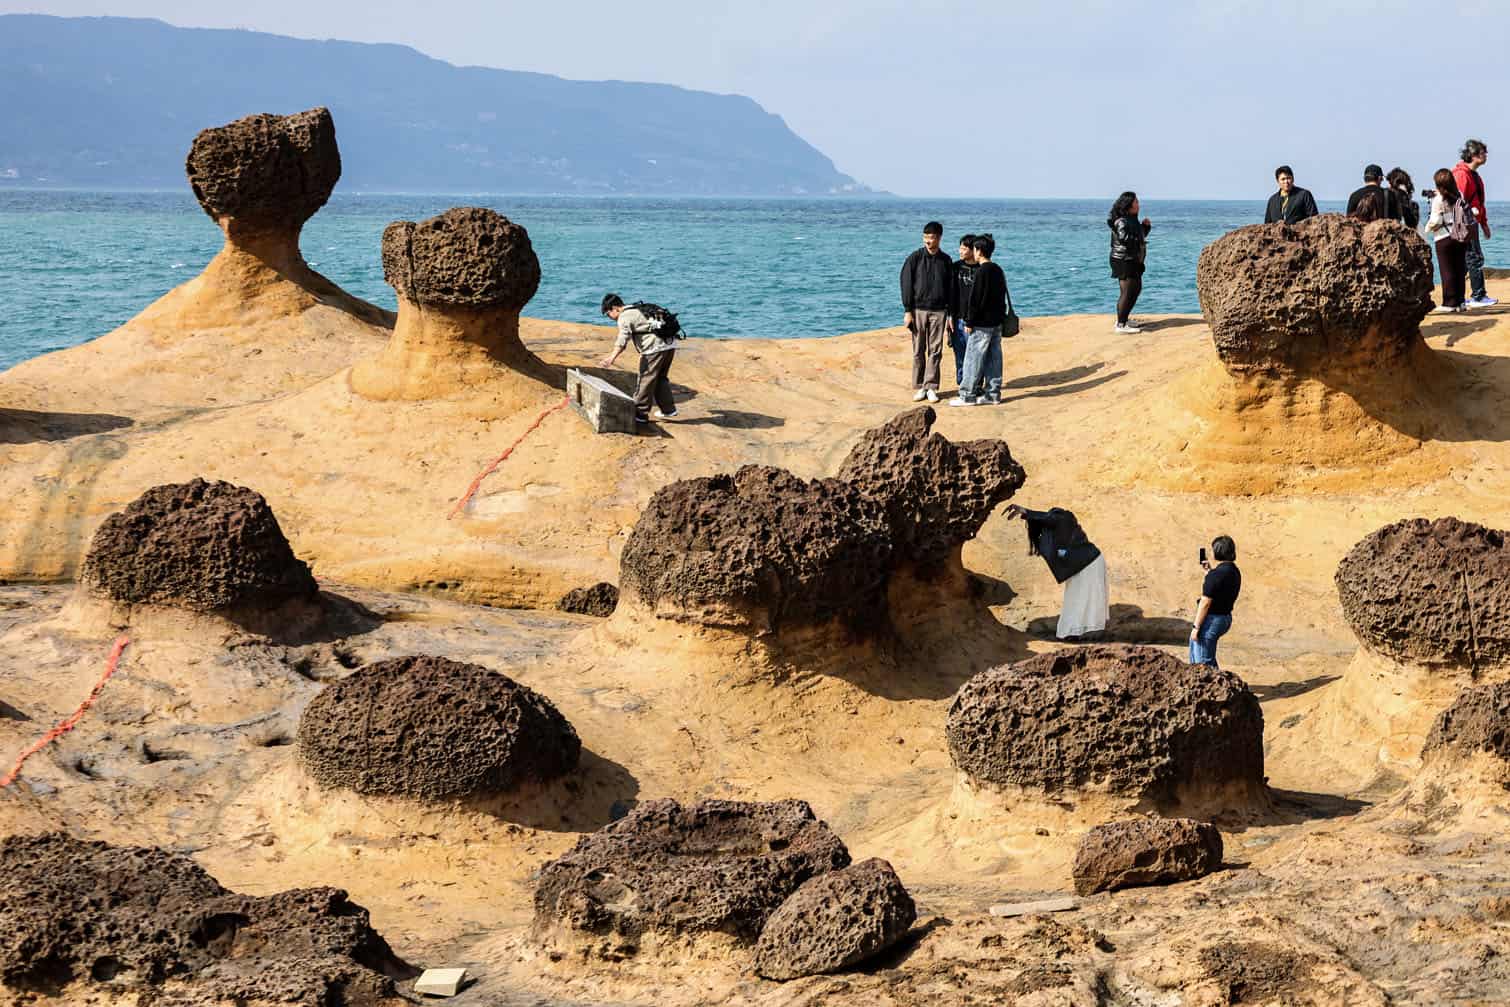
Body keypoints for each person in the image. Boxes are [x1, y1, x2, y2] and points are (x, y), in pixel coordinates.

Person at [1005, 504, 1108, 639]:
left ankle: (1075, 633)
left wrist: (1026, 511)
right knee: (1076, 599)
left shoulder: (1063, 517)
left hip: (1090, 562)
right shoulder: (1045, 535)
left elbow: (1052, 518)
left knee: (1082, 599)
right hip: (1079, 566)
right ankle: (1072, 632)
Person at [598, 293, 678, 425]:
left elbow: (622, 340)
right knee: (660, 378)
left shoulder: (624, 317)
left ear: (615, 308)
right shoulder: (637, 308)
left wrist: (611, 358)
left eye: (608, 314)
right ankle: (668, 410)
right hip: (670, 344)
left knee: (645, 380)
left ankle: (640, 414)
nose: (609, 317)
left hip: (654, 348)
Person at [899, 222, 955, 403]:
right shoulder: (914, 258)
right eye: (925, 237)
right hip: (918, 310)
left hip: (939, 311)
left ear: (939, 238)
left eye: (931, 238)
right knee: (918, 350)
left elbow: (951, 288)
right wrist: (907, 310)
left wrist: (951, 314)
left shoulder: (946, 260)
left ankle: (931, 386)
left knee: (935, 350)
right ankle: (919, 387)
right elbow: (906, 283)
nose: (927, 241)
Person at [951, 233, 1006, 407]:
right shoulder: (997, 269)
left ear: (979, 251)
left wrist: (969, 321)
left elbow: (975, 300)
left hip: (982, 324)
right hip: (996, 322)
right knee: (993, 359)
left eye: (974, 249)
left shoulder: (982, 271)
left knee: (973, 359)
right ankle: (993, 394)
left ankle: (967, 395)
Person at [1453, 139, 1498, 307]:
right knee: (1473, 258)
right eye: (1482, 153)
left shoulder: (1474, 175)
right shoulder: (1462, 175)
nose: (1486, 155)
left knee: (1468, 259)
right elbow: (1458, 202)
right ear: (1473, 155)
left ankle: (1460, 296)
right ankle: (1478, 296)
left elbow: (1478, 201)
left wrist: (1484, 223)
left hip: (1472, 222)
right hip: (1464, 223)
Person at [1190, 535, 1241, 668]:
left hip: (1212, 620)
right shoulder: (1234, 571)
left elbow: (1205, 603)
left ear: (1218, 551)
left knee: (1203, 665)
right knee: (1206, 659)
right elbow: (1220, 587)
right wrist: (1209, 572)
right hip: (1225, 618)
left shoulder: (1216, 575)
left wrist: (1196, 627)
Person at [1426, 169, 1469, 313]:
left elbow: (1435, 221)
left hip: (1443, 237)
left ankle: (1449, 302)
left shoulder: (1438, 200)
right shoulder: (1459, 195)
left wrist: (1427, 228)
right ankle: (1460, 302)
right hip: (1460, 235)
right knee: (1459, 269)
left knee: (1447, 270)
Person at [1108, 192, 1152, 334]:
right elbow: (1124, 238)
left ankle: (1124, 319)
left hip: (1132, 260)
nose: (1138, 204)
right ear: (1129, 205)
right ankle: (1121, 325)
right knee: (1128, 292)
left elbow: (1138, 235)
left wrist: (1145, 227)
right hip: (1123, 260)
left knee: (1135, 289)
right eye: (1136, 202)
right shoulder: (1121, 221)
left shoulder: (1132, 219)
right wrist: (1139, 241)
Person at [951, 234, 978, 388]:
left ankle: (975, 385)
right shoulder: (955, 267)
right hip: (957, 318)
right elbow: (950, 293)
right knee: (959, 353)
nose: (960, 251)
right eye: (960, 248)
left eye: (964, 248)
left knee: (975, 355)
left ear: (973, 250)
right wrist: (949, 315)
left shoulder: (981, 269)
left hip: (974, 321)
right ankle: (961, 384)